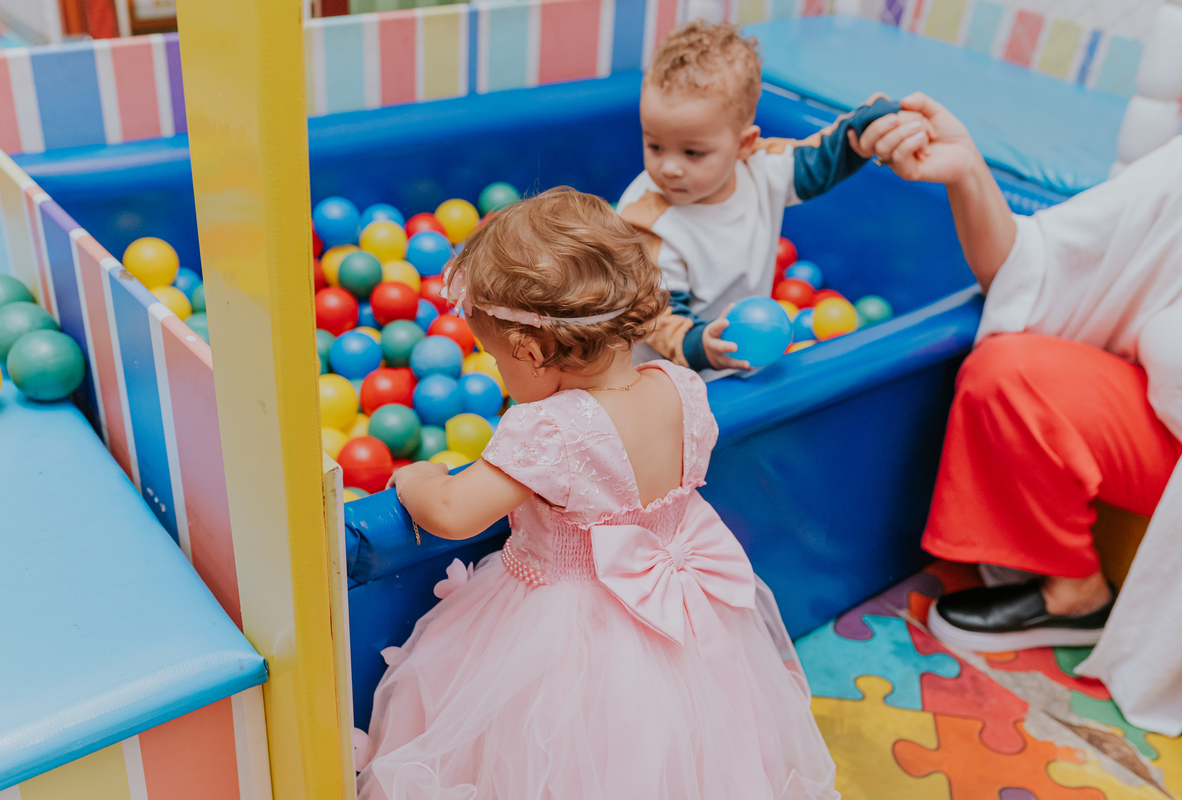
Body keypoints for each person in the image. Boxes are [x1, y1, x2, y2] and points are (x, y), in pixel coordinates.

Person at [354, 189, 840, 799]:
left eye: (496, 358)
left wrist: (417, 478)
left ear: (531, 351)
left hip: (565, 634)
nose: (500, 372)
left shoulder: (551, 428)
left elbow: (454, 513)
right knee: (678, 751)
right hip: (684, 614)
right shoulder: (682, 386)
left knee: (556, 763)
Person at [856, 94, 1182, 734]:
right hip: (1158, 420)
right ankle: (1075, 590)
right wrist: (967, 171)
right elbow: (1041, 267)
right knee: (1009, 375)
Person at [616, 20, 930, 372]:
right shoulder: (645, 223)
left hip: (741, 350)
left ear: (743, 145)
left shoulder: (762, 168)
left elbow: (820, 158)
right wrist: (700, 344)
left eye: (693, 153)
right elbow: (656, 312)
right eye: (655, 146)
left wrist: (863, 128)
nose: (670, 168)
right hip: (663, 374)